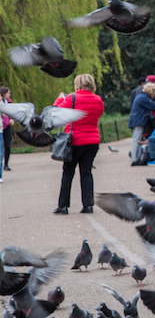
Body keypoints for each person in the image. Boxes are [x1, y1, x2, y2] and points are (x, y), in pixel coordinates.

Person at [53, 74, 105, 214]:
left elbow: (56, 112)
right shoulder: (98, 99)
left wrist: (60, 98)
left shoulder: (72, 98)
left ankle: (63, 206)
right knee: (86, 172)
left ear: (77, 85)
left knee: (68, 172)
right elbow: (99, 114)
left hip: (75, 140)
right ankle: (88, 205)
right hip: (92, 140)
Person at [128, 83, 155, 165]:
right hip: (138, 121)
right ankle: (134, 160)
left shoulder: (141, 96)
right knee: (136, 139)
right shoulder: (144, 98)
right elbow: (154, 106)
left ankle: (135, 158)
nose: (154, 95)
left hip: (136, 120)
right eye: (153, 93)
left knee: (136, 139)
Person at [0, 86, 11, 172]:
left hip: (7, 126)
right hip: (1, 126)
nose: (10, 94)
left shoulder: (9, 102)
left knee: (7, 145)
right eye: (8, 93)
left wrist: (11, 120)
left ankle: (6, 164)